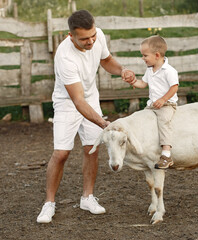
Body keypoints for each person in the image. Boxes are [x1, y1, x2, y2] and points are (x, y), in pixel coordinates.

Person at [36, 10, 135, 223]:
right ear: (71, 36)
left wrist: (122, 70)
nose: (90, 41)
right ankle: (49, 203)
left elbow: (106, 59)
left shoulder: (97, 35)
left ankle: (87, 197)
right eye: (84, 39)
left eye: (92, 36)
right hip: (67, 102)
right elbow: (77, 101)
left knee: (92, 147)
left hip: (90, 98)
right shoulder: (64, 56)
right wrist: (103, 123)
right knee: (61, 153)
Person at [128, 35, 179, 169]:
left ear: (157, 55)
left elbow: (174, 87)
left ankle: (166, 155)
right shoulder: (150, 70)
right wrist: (133, 81)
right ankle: (146, 149)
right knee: (141, 119)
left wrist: (163, 99)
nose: (142, 58)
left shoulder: (169, 71)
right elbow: (143, 83)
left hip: (167, 105)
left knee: (163, 122)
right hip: (152, 105)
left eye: (145, 55)